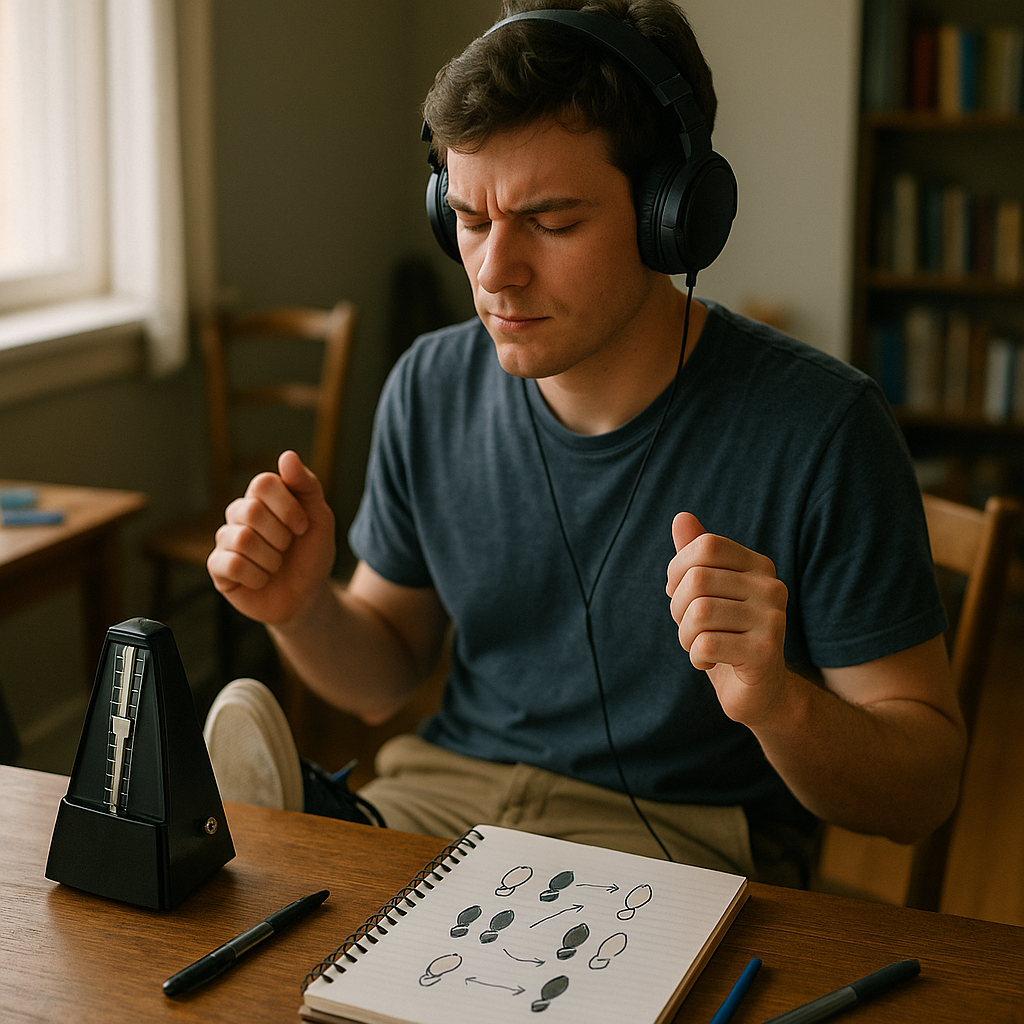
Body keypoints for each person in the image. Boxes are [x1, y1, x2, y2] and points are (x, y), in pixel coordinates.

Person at [203, 0, 966, 886]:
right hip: (441, 808)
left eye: (552, 222)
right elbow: (382, 676)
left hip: (679, 848)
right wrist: (301, 607)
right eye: (471, 219)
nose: (493, 273)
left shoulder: (822, 427)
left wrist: (778, 701)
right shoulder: (429, 385)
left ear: (671, 218)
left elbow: (923, 790)